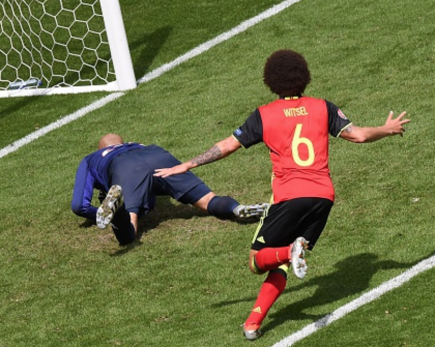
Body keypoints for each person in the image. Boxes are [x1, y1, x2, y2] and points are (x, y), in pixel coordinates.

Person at [153, 49, 410, 340]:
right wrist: (387, 129)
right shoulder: (322, 107)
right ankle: (252, 324)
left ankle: (288, 251)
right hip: (323, 197)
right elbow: (360, 135)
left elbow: (225, 146)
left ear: (270, 80)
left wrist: (187, 164)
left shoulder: (263, 115)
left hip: (289, 197)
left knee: (256, 260)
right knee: (284, 265)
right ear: (304, 77)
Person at [71, 133, 268, 246]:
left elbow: (79, 205)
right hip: (157, 156)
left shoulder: (92, 159)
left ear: (100, 149)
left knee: (128, 232)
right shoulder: (138, 144)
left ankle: (118, 211)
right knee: (209, 200)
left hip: (125, 169)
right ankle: (237, 209)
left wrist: (98, 214)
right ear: (122, 142)